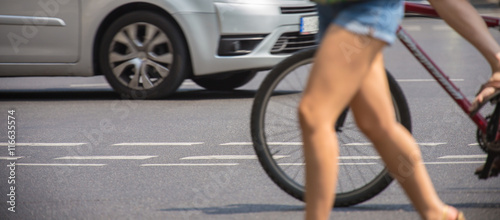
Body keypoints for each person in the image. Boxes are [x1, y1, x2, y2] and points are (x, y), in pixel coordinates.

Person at [298, 0, 499, 219]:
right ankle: (436, 213)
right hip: (333, 8)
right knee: (376, 124)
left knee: (314, 115)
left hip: (365, 10)